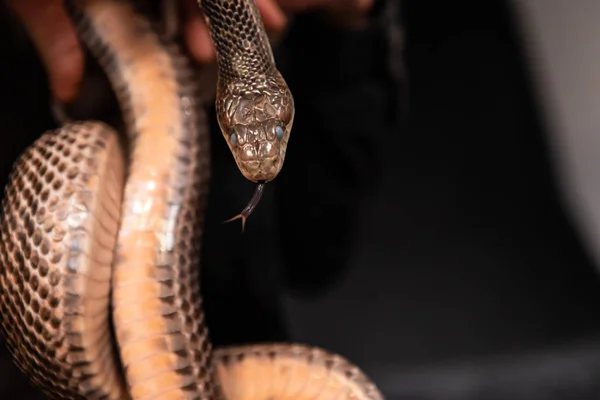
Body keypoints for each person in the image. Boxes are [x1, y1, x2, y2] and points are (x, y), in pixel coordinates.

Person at [4, 0, 405, 347]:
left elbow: (316, 256)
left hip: (233, 337)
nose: (259, 162)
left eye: (279, 131)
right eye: (236, 135)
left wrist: (353, 20)